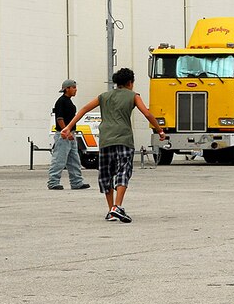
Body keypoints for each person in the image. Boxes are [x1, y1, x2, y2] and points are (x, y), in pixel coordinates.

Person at [61, 68, 166, 223]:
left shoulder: (103, 96)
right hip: (124, 139)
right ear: (130, 83)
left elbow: (83, 109)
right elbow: (147, 113)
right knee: (124, 170)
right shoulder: (133, 96)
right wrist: (160, 130)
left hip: (105, 139)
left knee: (106, 174)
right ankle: (117, 206)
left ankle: (111, 210)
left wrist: (68, 127)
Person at [48, 79, 91, 191]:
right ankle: (53, 182)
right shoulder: (61, 101)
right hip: (64, 135)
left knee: (74, 160)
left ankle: (77, 182)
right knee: (59, 159)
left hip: (70, 134)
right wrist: (65, 131)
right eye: (74, 87)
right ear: (67, 89)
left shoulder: (69, 101)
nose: (75, 90)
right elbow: (60, 118)